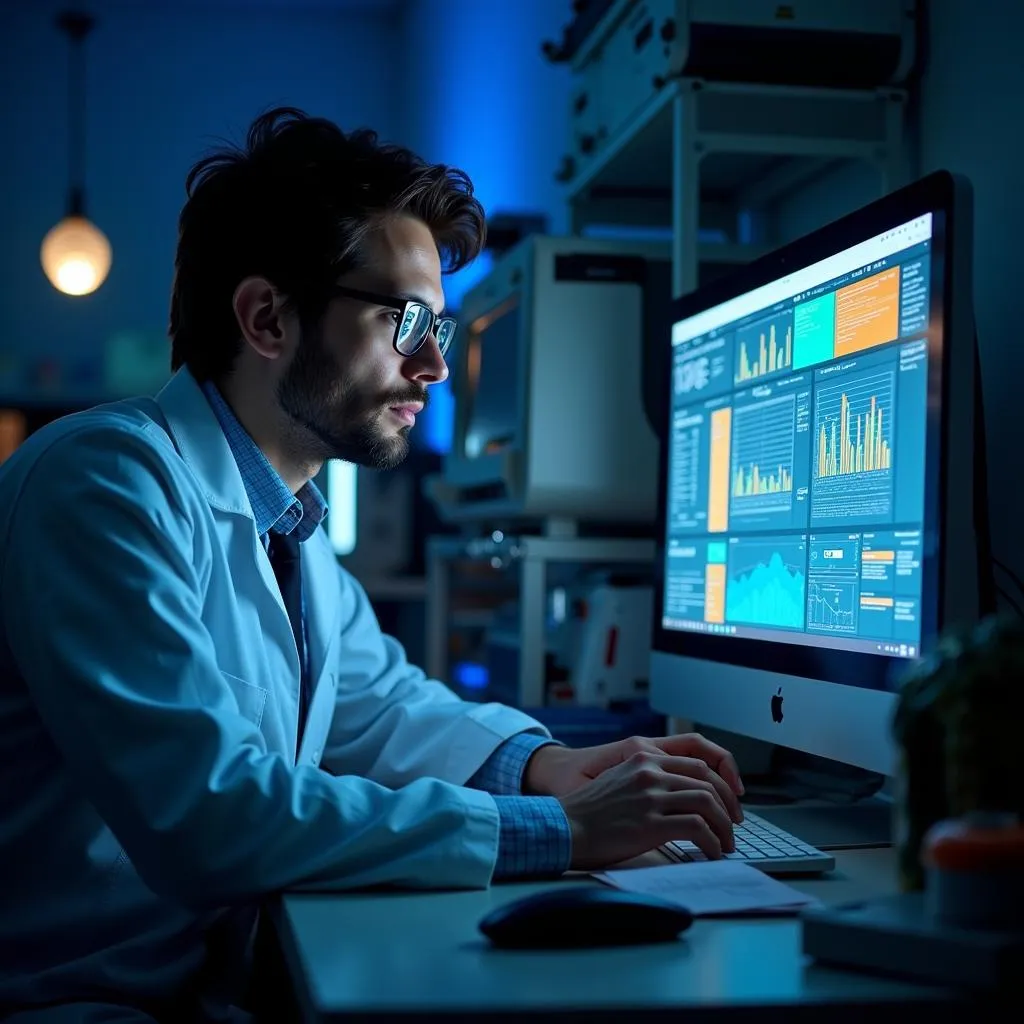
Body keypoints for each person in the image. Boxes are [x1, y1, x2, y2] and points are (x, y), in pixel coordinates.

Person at [0, 108, 744, 1022]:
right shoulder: (105, 484)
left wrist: (551, 770)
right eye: (408, 320)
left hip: (195, 985)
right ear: (268, 317)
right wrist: (558, 833)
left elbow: (379, 707)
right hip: (78, 999)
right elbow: (206, 816)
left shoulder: (295, 527)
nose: (434, 364)